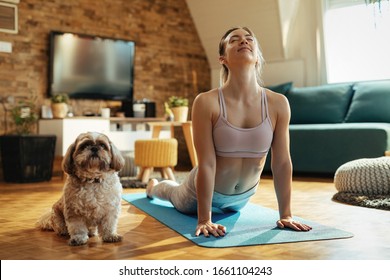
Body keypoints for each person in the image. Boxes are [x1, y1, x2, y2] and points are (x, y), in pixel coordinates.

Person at [146, 27, 312, 237]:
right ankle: (153, 187)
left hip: (241, 199)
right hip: (200, 192)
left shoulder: (278, 103)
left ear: (258, 58)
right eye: (234, 40)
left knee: (230, 206)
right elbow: (206, 162)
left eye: (249, 39)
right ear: (222, 58)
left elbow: (281, 162)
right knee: (172, 194)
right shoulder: (206, 102)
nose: (243, 41)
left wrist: (286, 214)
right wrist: (204, 218)